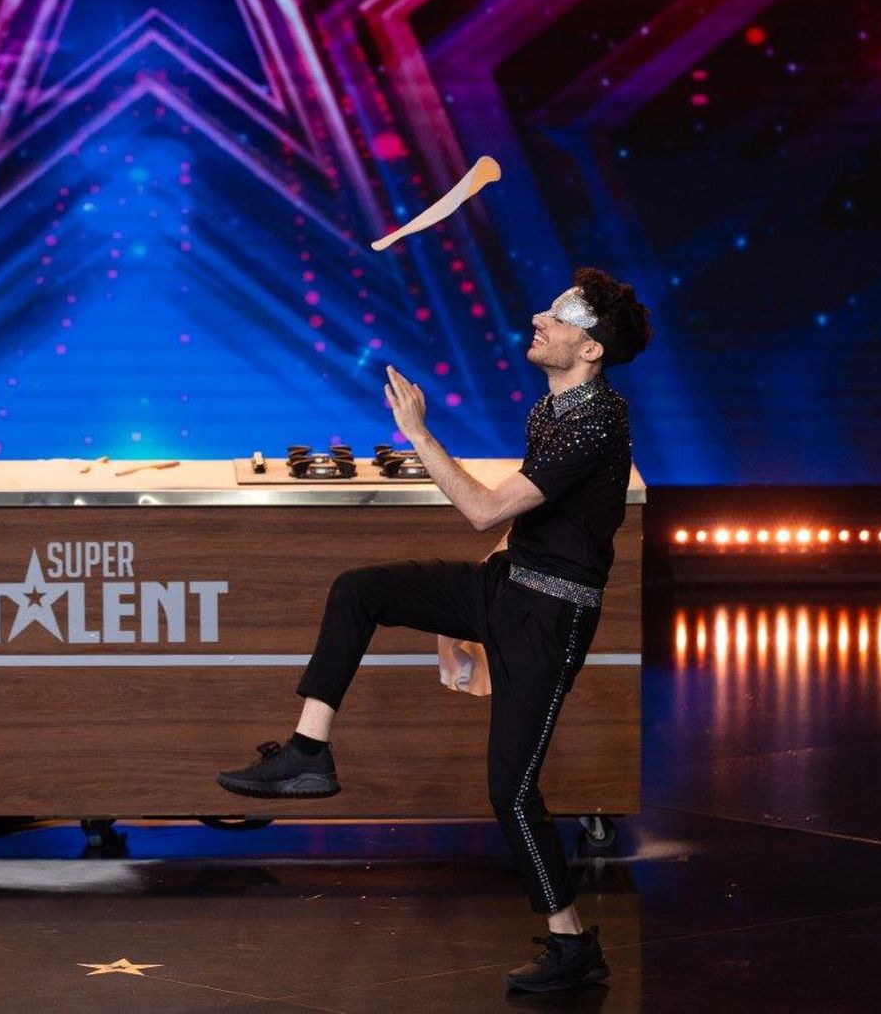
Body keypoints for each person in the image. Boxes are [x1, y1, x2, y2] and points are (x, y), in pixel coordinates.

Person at [216, 267, 653, 994]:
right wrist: (470, 604)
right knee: (360, 590)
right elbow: (534, 521)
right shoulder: (555, 408)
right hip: (506, 587)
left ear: (591, 349)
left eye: (560, 316)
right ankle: (307, 753)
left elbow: (485, 509)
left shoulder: (598, 419)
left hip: (550, 619)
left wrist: (417, 432)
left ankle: (573, 945)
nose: (539, 318)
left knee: (511, 791)